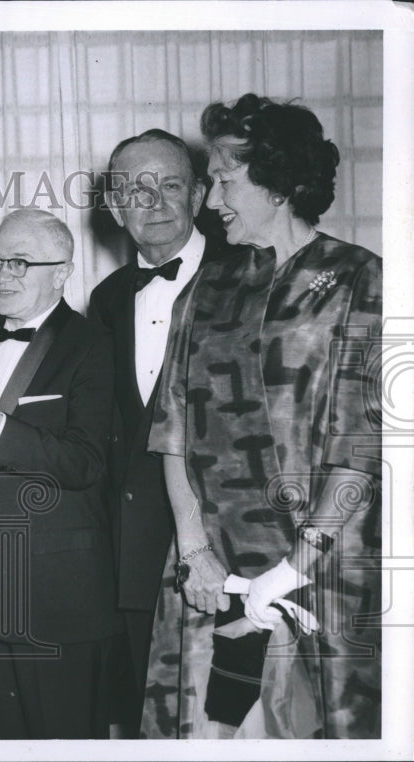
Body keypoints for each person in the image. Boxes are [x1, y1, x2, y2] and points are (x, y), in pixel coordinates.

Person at [142, 93, 381, 739]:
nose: (211, 198)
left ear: (277, 182)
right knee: (209, 727)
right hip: (212, 568)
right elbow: (171, 429)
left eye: (224, 179)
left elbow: (362, 447)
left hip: (324, 568)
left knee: (320, 728)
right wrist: (195, 549)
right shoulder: (208, 285)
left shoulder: (360, 279)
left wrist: (294, 569)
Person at [0, 209, 117, 739]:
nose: (2, 275)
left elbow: (86, 461)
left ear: (61, 272)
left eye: (20, 263)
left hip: (55, 595)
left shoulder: (93, 345)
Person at [86, 128, 234, 734]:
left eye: (170, 185)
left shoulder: (251, 275)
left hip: (228, 545)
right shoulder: (107, 298)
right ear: (116, 208)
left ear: (199, 195)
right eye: (134, 190)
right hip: (135, 558)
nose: (153, 202)